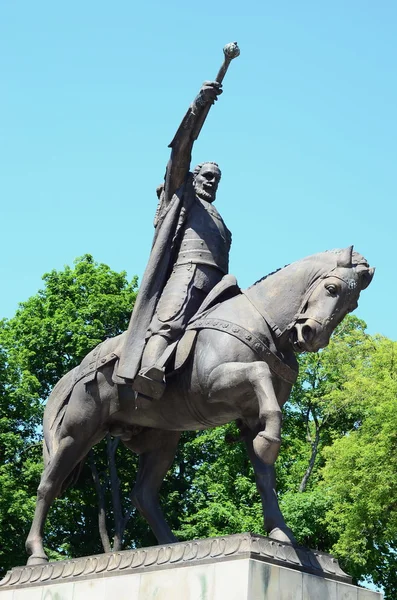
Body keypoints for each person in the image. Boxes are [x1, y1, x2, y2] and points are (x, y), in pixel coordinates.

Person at [116, 81, 232, 399]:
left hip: (219, 283)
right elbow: (181, 149)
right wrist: (199, 105)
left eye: (217, 178)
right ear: (193, 177)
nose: (212, 181)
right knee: (168, 324)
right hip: (188, 273)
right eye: (207, 175)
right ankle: (148, 372)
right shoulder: (182, 197)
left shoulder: (217, 216)